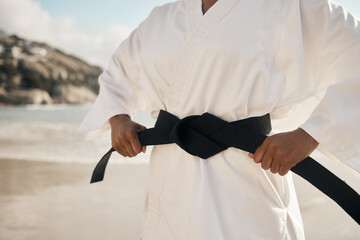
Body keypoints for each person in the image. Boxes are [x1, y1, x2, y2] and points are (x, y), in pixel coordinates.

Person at [79, 0, 360, 239]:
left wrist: (310, 135)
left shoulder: (290, 6)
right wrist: (118, 118)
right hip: (169, 181)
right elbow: (119, 73)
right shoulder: (161, 18)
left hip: (246, 180)